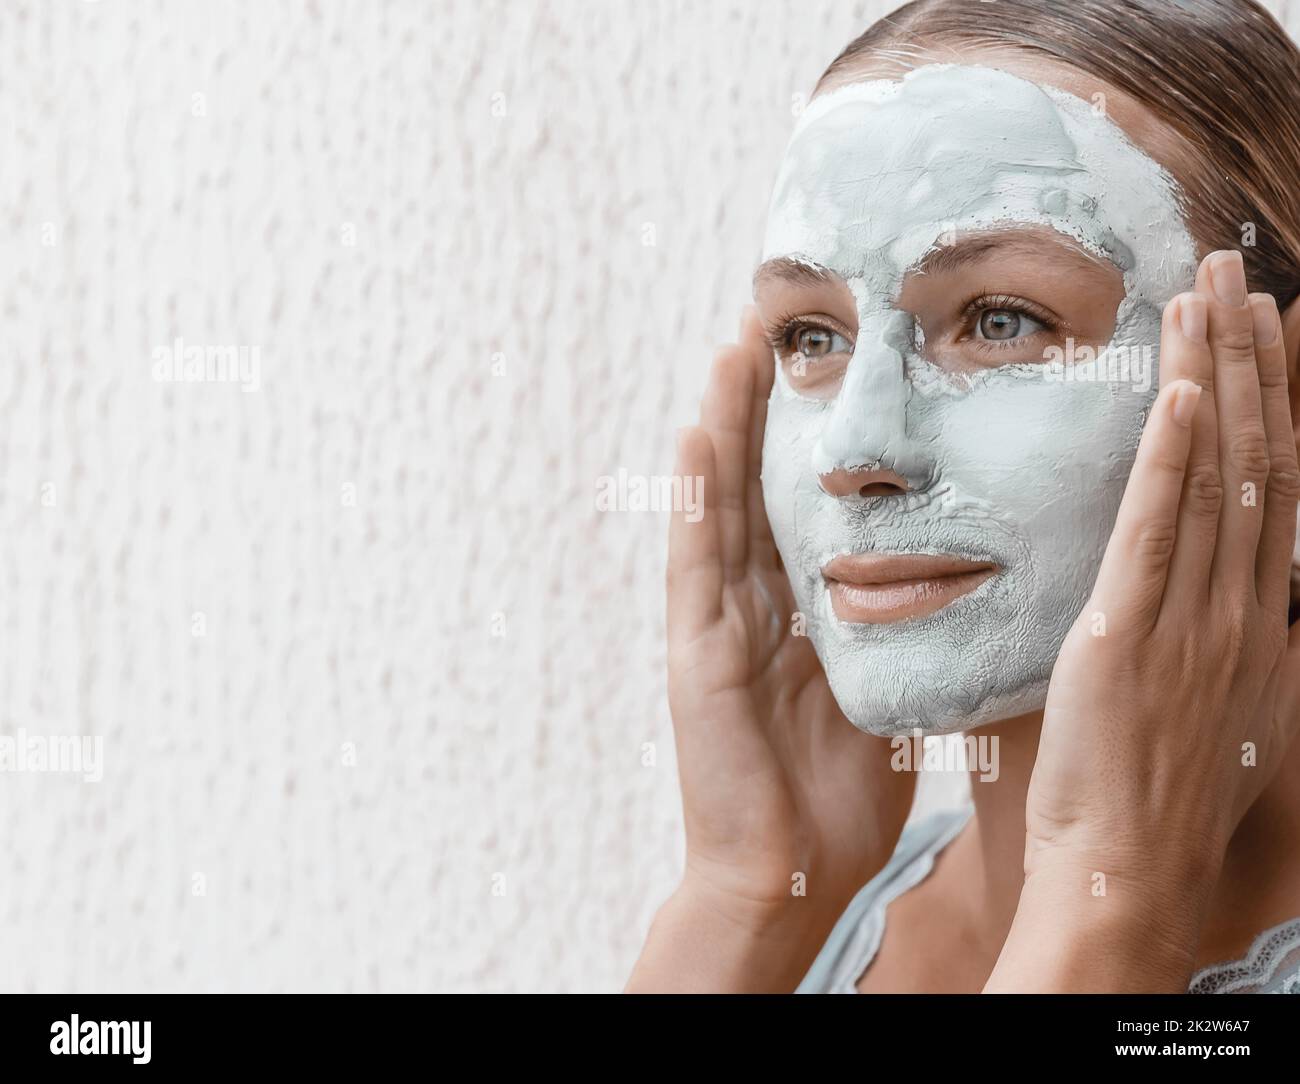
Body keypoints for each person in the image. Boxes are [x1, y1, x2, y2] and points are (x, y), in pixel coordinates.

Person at [626, 0, 1300, 993]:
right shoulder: (824, 918)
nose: (854, 449)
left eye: (998, 320)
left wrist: (1112, 907)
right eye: (813, 335)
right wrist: (749, 898)